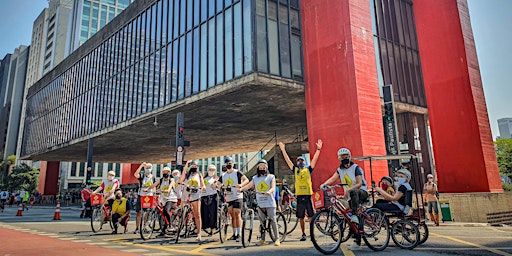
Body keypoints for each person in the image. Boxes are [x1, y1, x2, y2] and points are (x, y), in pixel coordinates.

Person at [320, 147, 369, 250]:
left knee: (354, 193)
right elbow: (333, 178)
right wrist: (324, 184)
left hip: (361, 192)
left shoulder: (356, 168)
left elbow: (359, 183)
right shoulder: (340, 169)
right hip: (350, 196)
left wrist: (349, 189)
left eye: (345, 156)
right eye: (342, 157)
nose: (344, 158)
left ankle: (355, 216)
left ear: (349, 156)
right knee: (345, 213)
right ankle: (356, 238)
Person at [279, 139, 323, 242]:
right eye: (299, 161)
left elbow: (314, 160)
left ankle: (312, 234)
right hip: (299, 196)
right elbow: (288, 161)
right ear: (297, 163)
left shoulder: (308, 169)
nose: (300, 162)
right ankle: (303, 234)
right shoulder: (295, 170)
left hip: (308, 195)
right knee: (301, 217)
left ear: (304, 162)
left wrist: (318, 150)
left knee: (311, 216)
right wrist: (283, 150)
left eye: (302, 160)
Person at [239, 159, 280, 246]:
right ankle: (262, 239)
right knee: (262, 222)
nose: (262, 168)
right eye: (260, 167)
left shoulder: (271, 177)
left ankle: (277, 238)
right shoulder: (255, 178)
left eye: (263, 167)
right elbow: (249, 185)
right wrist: (241, 189)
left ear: (266, 168)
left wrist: (270, 191)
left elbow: (273, 187)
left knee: (273, 220)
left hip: (270, 202)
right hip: (260, 203)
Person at [213, 156, 249, 242]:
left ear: (233, 164)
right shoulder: (223, 175)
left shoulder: (237, 173)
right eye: (227, 164)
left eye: (230, 163)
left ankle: (239, 234)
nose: (229, 165)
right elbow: (218, 183)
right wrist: (214, 185)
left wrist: (241, 185)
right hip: (229, 197)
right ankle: (234, 233)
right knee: (232, 215)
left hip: (237, 196)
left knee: (237, 213)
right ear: (225, 165)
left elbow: (246, 180)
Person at [178, 160, 206, 242]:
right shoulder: (187, 175)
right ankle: (179, 231)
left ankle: (199, 233)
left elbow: (202, 184)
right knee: (182, 214)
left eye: (195, 166)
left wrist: (203, 187)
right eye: (192, 166)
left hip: (196, 194)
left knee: (197, 214)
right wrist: (186, 165)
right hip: (186, 194)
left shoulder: (199, 175)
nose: (194, 167)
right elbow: (180, 179)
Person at [148, 167, 178, 235]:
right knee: (162, 214)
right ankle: (163, 231)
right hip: (164, 199)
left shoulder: (171, 180)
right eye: (164, 172)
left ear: (169, 173)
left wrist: (168, 190)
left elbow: (170, 186)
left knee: (165, 210)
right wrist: (147, 189)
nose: (165, 173)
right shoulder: (161, 180)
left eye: (166, 172)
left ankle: (170, 225)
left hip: (171, 198)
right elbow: (154, 185)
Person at [133, 162, 155, 234]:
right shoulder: (142, 176)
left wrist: (154, 195)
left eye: (149, 168)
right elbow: (135, 175)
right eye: (147, 168)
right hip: (141, 195)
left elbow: (154, 186)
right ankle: (137, 228)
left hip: (149, 196)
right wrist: (141, 166)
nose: (148, 169)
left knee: (147, 212)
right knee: (139, 212)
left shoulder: (152, 177)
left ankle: (145, 227)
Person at [201, 164, 219, 236]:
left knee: (213, 214)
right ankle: (205, 227)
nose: (211, 171)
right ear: (207, 170)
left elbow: (219, 185)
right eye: (210, 169)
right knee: (205, 213)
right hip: (204, 196)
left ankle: (212, 229)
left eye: (213, 170)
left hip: (213, 196)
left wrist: (217, 186)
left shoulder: (216, 179)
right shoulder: (203, 178)